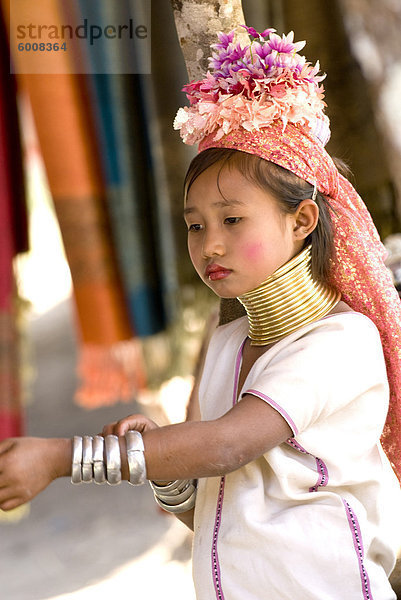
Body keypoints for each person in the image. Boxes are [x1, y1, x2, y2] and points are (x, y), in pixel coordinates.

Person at [1, 25, 401, 600]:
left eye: (232, 220)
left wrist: (63, 457)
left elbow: (225, 445)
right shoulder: (226, 344)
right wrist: (168, 474)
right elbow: (217, 511)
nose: (209, 244)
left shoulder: (339, 343)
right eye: (195, 225)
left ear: (302, 221)